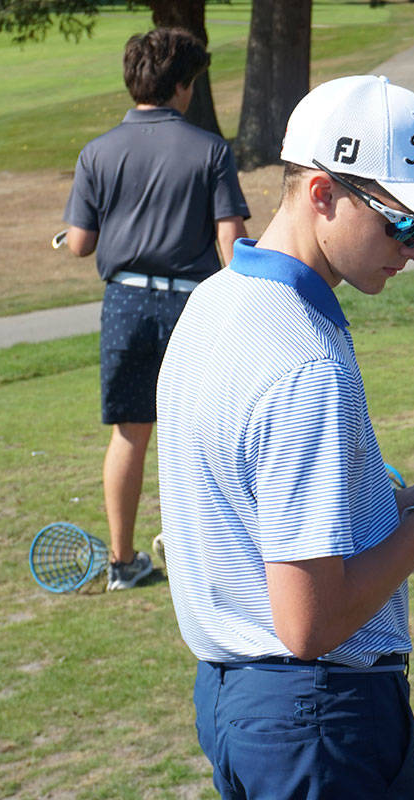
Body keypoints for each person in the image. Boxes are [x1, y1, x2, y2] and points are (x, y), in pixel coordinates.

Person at [156, 75, 414, 800]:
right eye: (402, 221)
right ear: (321, 192)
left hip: (240, 703)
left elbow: (270, 519)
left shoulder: (217, 301)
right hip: (318, 717)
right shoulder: (305, 361)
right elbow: (310, 622)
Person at [62, 27, 249, 590]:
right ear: (183, 85)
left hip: (124, 303)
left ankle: (122, 562)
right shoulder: (210, 149)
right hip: (192, 306)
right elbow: (233, 244)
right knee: (200, 431)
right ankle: (208, 551)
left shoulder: (97, 152)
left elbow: (79, 243)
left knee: (129, 432)